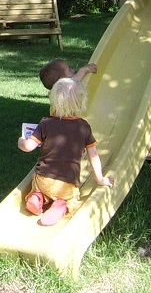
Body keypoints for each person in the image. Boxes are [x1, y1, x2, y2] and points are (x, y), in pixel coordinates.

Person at [18, 77, 114, 226]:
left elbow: (28, 147)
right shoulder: (84, 127)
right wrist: (101, 179)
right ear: (81, 103)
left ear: (54, 101)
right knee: (71, 198)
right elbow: (93, 155)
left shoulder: (46, 123)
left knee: (39, 190)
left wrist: (21, 141)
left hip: (43, 179)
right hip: (67, 184)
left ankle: (37, 197)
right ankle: (60, 205)